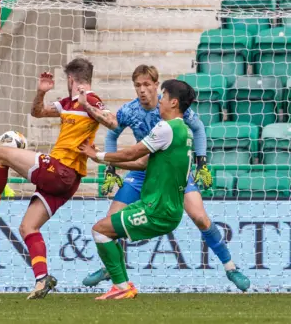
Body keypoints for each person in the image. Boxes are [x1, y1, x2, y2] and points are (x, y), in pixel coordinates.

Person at [81, 65, 250, 292]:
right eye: (137, 85)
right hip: (142, 171)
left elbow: (198, 129)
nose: (142, 90)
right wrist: (111, 171)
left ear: (155, 85)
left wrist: (201, 163)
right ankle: (110, 269)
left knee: (200, 217)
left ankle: (231, 267)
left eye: (146, 85)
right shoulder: (129, 110)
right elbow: (113, 134)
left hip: (171, 172)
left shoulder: (171, 105)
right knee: (110, 219)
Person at [0, 58, 118, 300]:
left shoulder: (90, 99)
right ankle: (42, 279)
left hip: (62, 170)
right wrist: (40, 92)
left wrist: (87, 106)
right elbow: (36, 112)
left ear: (70, 79)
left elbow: (112, 122)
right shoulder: (66, 104)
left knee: (0, 153)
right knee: (28, 226)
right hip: (64, 180)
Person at [79, 79, 196, 299]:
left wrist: (98, 155)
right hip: (163, 206)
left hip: (157, 209)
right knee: (107, 230)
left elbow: (132, 153)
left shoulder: (166, 128)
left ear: (173, 102)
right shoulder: (185, 131)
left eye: (163, 97)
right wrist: (106, 162)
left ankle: (121, 287)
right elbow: (142, 163)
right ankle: (123, 287)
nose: (159, 101)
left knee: (100, 231)